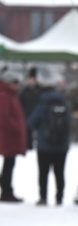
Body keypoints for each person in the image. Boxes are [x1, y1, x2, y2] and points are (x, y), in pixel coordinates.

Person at [28, 80, 72, 206]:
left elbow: (31, 122)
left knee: (43, 173)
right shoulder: (64, 104)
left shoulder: (41, 105)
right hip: (62, 147)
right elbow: (69, 122)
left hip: (44, 147)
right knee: (60, 173)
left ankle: (43, 197)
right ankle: (59, 197)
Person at [0, 68, 27, 203]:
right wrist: (17, 128)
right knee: (8, 165)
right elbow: (4, 117)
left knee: (9, 164)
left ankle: (7, 189)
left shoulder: (9, 95)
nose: (17, 85)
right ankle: (6, 191)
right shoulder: (5, 96)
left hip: (9, 137)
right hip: (8, 138)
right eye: (15, 82)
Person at [19, 67, 42, 151]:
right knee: (27, 132)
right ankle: (28, 146)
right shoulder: (24, 91)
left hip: (38, 114)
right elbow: (20, 102)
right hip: (27, 114)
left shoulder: (40, 89)